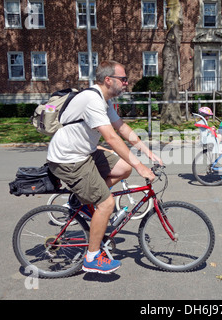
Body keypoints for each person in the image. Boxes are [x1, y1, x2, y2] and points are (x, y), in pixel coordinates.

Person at [47, 60, 162, 274]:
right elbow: (110, 137)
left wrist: (147, 152)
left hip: (84, 152)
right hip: (68, 159)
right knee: (107, 204)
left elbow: (121, 128)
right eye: (123, 79)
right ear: (108, 80)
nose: (127, 83)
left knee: (123, 167)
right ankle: (91, 257)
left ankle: (84, 202)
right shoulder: (92, 100)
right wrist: (141, 167)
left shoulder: (104, 99)